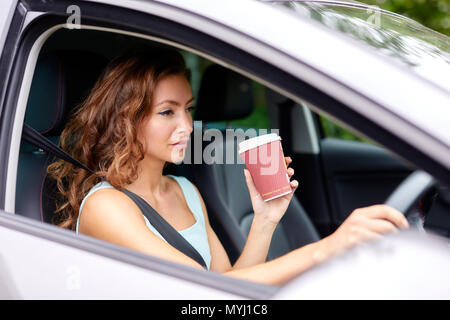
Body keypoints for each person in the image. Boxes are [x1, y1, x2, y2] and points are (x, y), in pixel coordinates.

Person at [47, 47, 409, 285]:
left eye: (188, 109)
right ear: (126, 121)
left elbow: (230, 282)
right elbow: (207, 292)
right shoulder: (106, 206)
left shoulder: (185, 190)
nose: (187, 126)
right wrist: (327, 248)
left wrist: (265, 219)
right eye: (167, 112)